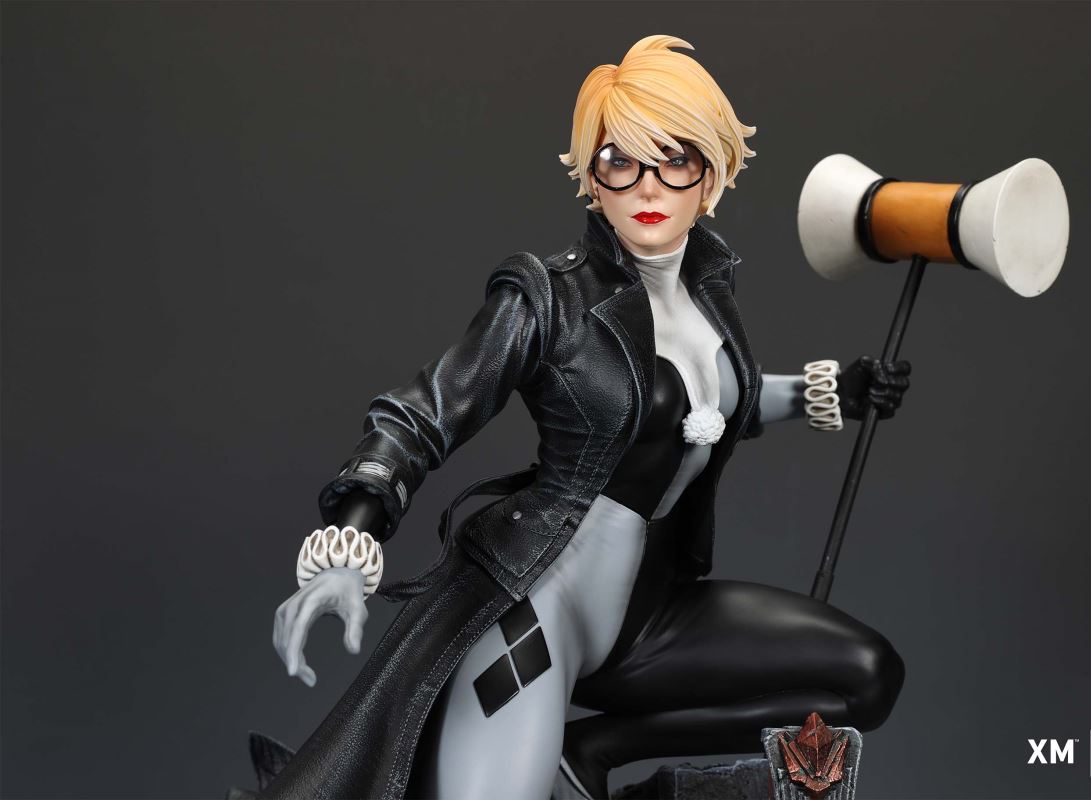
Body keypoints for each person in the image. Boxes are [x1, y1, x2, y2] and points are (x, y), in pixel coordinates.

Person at [259, 35, 908, 800]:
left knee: (865, 679)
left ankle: (597, 749)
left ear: (712, 173)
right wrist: (350, 542)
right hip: (540, 615)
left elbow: (713, 407)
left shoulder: (709, 290)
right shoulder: (549, 298)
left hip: (653, 618)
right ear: (592, 177)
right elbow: (424, 413)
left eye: (675, 160)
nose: (647, 186)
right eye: (618, 161)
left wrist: (834, 393)